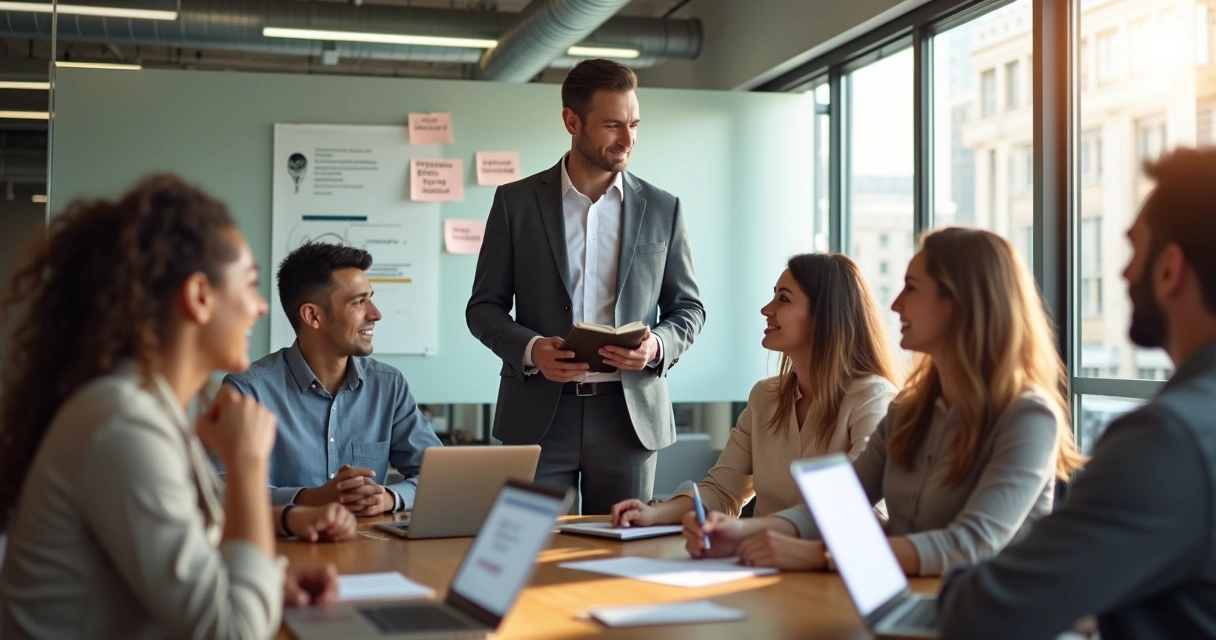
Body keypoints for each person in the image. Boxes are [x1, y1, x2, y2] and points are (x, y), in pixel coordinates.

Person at [0, 175, 351, 640]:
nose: (261, 307)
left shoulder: (141, 407)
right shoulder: (122, 424)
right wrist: (246, 465)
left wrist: (269, 581)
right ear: (200, 296)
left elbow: (193, 564)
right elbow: (232, 634)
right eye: (249, 284)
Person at [684, 228, 1085, 576]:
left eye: (912, 288)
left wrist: (818, 556)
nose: (895, 305)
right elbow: (841, 505)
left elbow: (971, 543)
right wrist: (739, 532)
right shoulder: (908, 410)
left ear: (961, 303)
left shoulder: (1028, 417)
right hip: (904, 608)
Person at [937, 148, 1216, 639]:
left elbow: (983, 613)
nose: (1124, 273)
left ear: (1170, 268)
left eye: (1135, 251)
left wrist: (962, 582)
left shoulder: (1167, 440)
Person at [466, 58, 705, 514]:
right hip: (537, 414)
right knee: (526, 553)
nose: (629, 139)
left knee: (622, 555)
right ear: (571, 121)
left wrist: (655, 346)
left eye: (635, 124)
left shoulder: (662, 208)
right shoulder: (515, 203)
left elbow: (689, 309)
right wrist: (532, 348)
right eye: (613, 125)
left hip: (629, 416)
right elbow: (483, 308)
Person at [610, 253, 900, 527]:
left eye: (783, 299)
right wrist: (654, 513)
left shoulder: (872, 400)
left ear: (825, 315)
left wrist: (750, 533)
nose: (766, 309)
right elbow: (722, 492)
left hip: (827, 569)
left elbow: (860, 509)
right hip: (762, 561)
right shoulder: (765, 397)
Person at [224, 242, 442, 516]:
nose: (375, 314)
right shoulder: (248, 391)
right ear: (313, 315)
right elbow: (218, 487)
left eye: (370, 298)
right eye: (358, 302)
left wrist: (387, 497)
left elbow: (438, 476)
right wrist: (308, 499)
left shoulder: (388, 385)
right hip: (287, 550)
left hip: (370, 548)